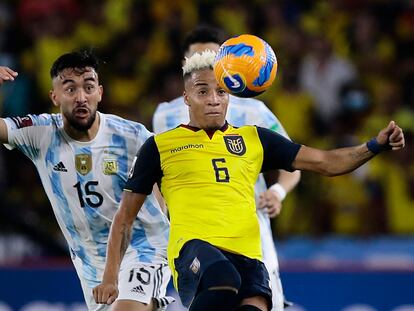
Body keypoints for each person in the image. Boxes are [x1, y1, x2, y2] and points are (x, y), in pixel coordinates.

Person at [94, 50, 405, 311]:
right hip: (193, 253)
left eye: (221, 91)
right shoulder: (160, 146)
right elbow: (124, 217)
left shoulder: (254, 139)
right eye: (203, 91)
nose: (214, 99)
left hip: (250, 257)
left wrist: (374, 146)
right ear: (186, 98)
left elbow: (325, 162)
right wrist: (110, 276)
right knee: (222, 278)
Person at [0, 50, 174, 311]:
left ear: (100, 93)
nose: (81, 97)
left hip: (143, 247)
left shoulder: (132, 136)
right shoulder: (40, 133)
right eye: (70, 89)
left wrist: (164, 215)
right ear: (54, 96)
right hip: (91, 263)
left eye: (89, 87)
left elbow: (168, 177)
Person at [152, 25, 300, 311]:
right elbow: (159, 172)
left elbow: (292, 163)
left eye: (213, 55)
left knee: (269, 302)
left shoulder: (252, 109)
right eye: (198, 55)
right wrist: (165, 212)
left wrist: (278, 191)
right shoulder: (165, 114)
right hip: (194, 230)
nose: (206, 61)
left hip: (248, 223)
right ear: (185, 62)